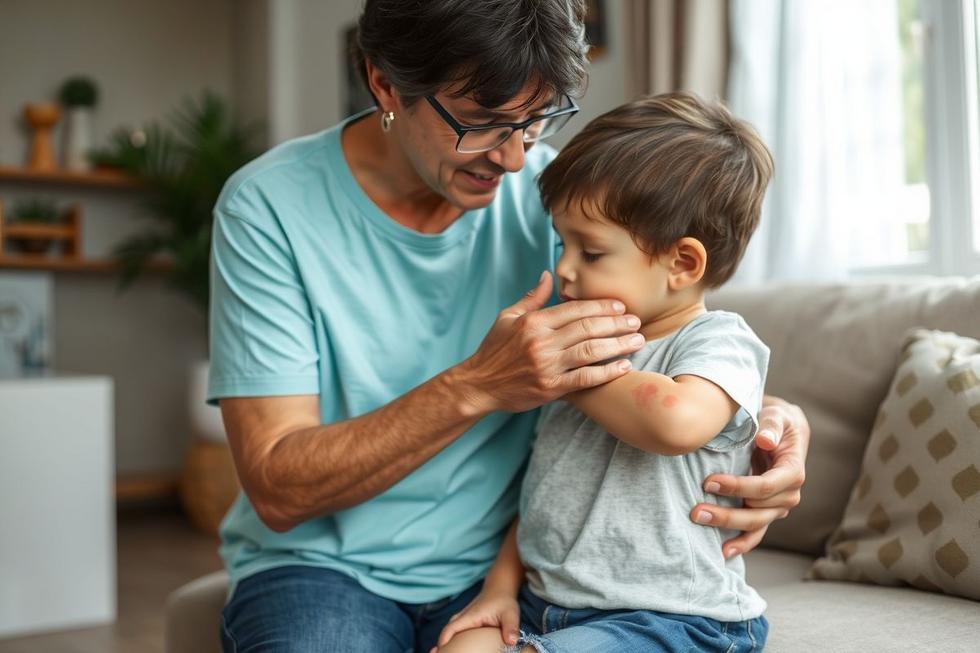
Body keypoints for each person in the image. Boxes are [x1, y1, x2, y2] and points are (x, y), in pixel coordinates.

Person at [210, 2, 809, 651]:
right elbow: (278, 488)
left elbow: (670, 342)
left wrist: (775, 422)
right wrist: (476, 385)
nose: (516, 158)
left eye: (536, 119)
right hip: (323, 569)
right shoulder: (268, 209)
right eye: (483, 122)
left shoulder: (564, 205)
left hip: (518, 570)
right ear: (384, 83)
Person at [434, 92, 774, 653]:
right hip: (546, 605)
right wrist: (500, 589)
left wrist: (560, 371)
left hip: (672, 618)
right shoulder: (579, 350)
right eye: (561, 243)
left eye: (590, 253)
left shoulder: (718, 341)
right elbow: (547, 494)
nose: (563, 268)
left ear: (682, 263)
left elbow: (676, 424)